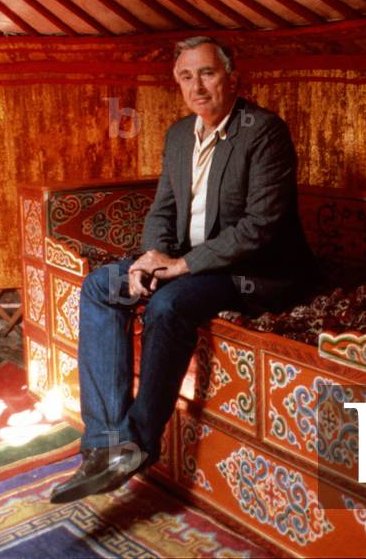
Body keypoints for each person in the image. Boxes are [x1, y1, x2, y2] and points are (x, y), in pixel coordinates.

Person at [50, 36, 316, 503]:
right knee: (100, 285)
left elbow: (260, 227)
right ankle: (104, 446)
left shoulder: (264, 132)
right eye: (186, 76)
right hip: (186, 264)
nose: (197, 86)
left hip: (251, 270)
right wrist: (151, 258)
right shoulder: (178, 136)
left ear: (233, 77)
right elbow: (163, 210)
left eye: (208, 73)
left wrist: (183, 265)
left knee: (169, 305)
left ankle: (136, 443)